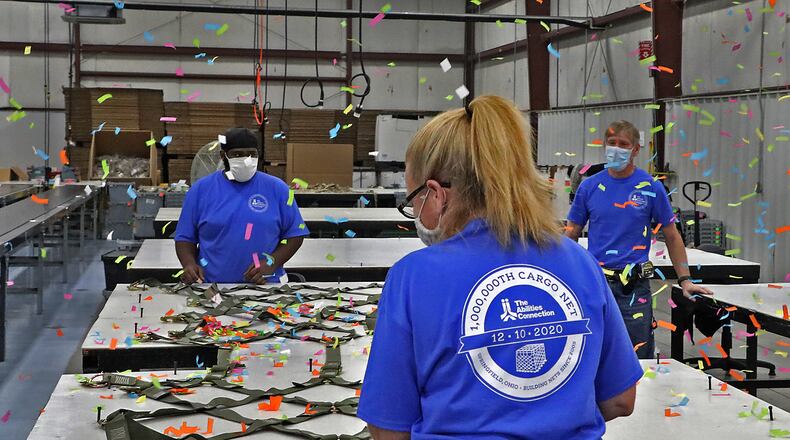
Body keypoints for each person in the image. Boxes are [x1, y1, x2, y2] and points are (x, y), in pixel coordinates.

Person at [358, 96, 642, 439]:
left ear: (436, 193)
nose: (414, 211)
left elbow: (388, 427)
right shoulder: (580, 261)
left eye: (412, 200)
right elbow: (620, 400)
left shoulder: (412, 277)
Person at [565, 120, 713, 359]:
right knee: (591, 353)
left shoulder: (651, 188)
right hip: (596, 285)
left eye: (623, 144)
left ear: (635, 149)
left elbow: (673, 237)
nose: (616, 149)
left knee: (637, 356)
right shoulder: (589, 187)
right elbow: (571, 233)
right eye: (611, 143)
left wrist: (685, 279)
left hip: (633, 288)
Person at [174, 127, 309, 284]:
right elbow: (185, 238)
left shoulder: (278, 189)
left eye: (252, 154)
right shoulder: (200, 190)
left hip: (265, 286)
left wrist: (271, 263)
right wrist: (189, 264)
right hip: (212, 286)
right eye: (237, 155)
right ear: (223, 156)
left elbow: (295, 235)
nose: (246, 160)